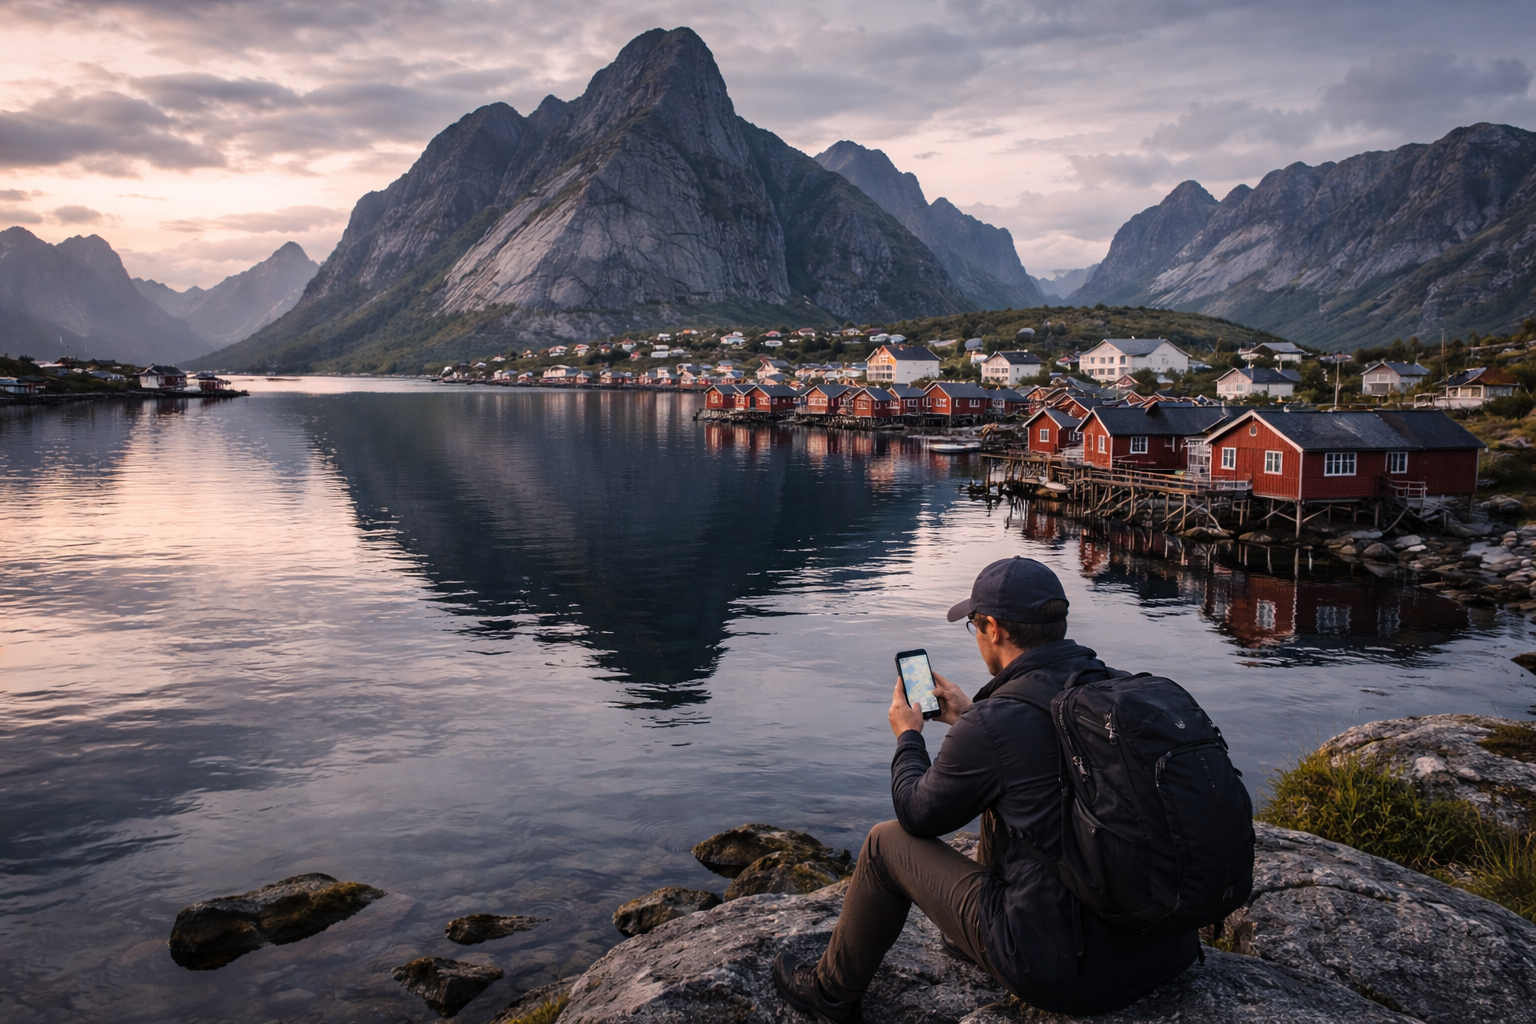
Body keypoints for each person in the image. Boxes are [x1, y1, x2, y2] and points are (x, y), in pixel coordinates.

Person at [773, 556, 1199, 1022]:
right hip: (1166, 948)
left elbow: (917, 813)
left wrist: (909, 735)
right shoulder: (1113, 689)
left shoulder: (995, 725)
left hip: (1064, 971)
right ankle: (969, 936)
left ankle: (830, 993)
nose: (976, 634)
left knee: (883, 843)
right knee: (1011, 795)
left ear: (993, 629)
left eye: (973, 624)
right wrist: (971, 714)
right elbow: (1041, 755)